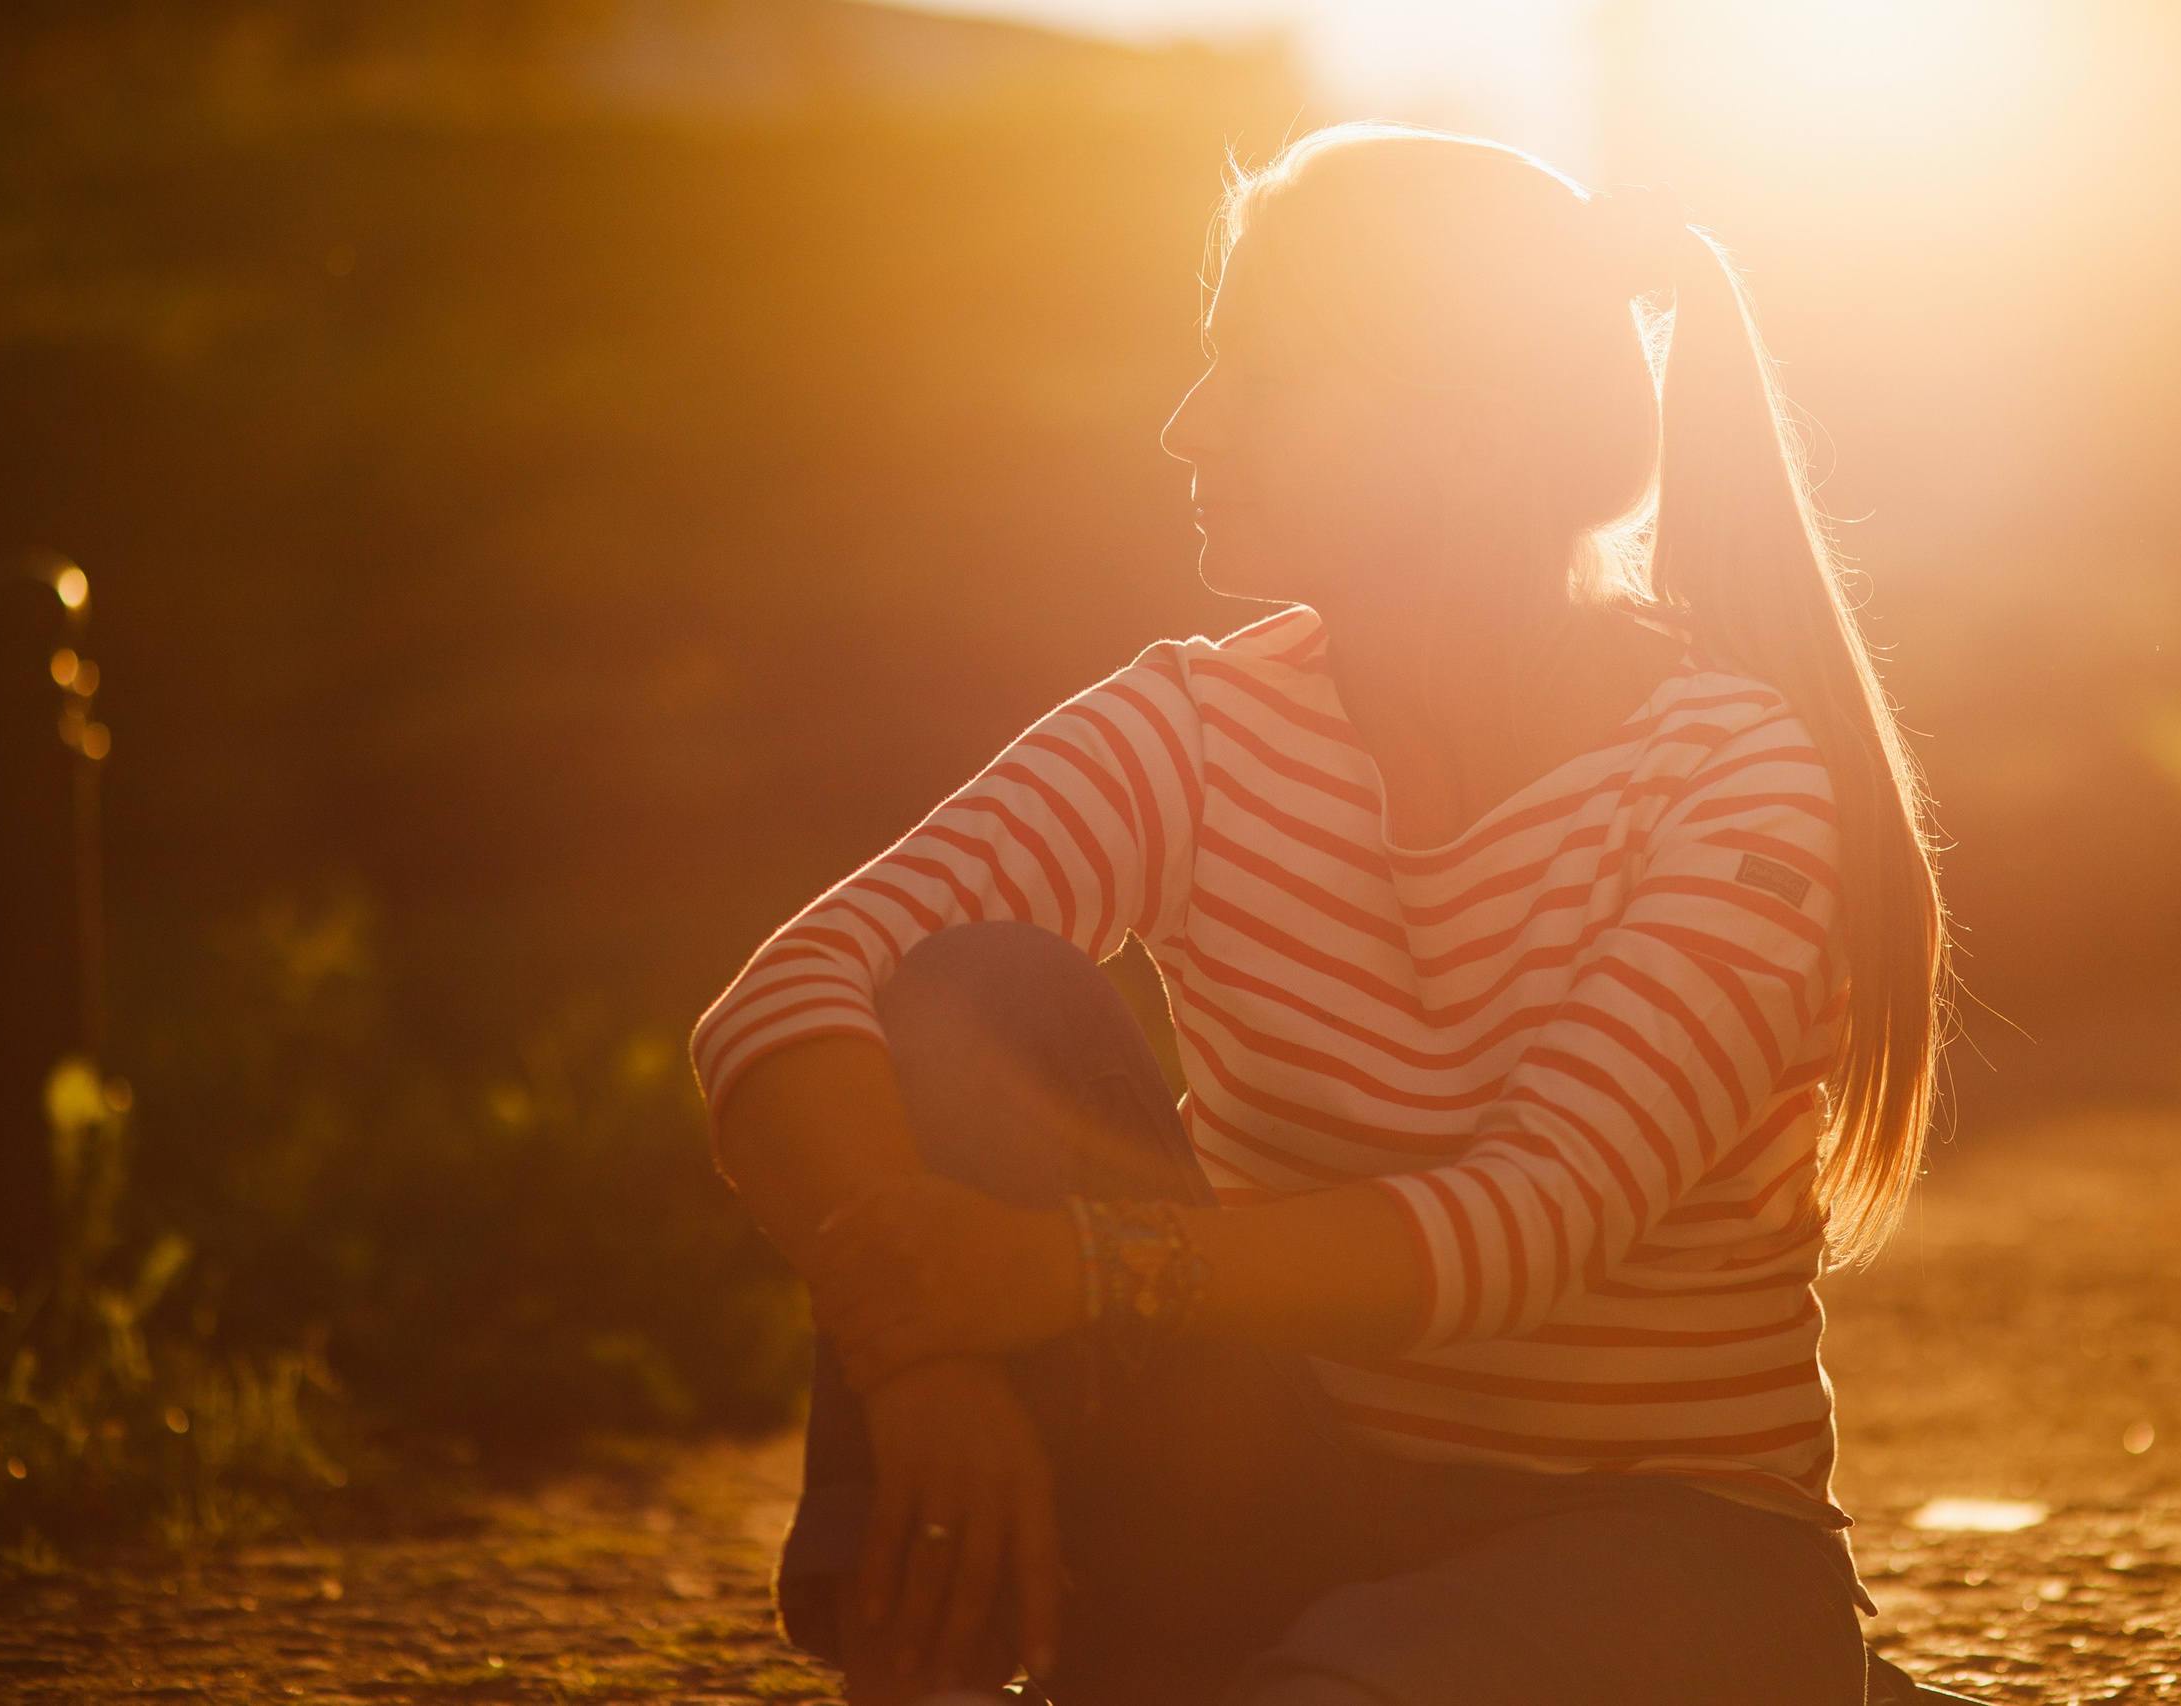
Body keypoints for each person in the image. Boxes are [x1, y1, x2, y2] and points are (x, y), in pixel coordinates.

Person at [691, 122, 1948, 1706]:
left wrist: (1071, 1267)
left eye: (1265, 376)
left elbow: (1528, 1222)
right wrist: (924, 1349)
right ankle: (930, 1663)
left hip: (1663, 1549)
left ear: (1473, 440)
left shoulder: (1732, 780)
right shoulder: (1198, 728)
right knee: (970, 988)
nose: (1188, 426)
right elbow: (788, 993)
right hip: (1297, 1507)